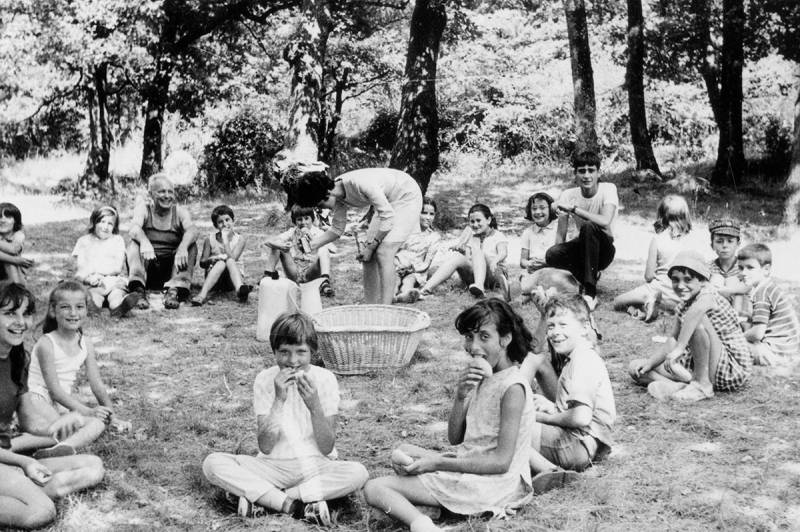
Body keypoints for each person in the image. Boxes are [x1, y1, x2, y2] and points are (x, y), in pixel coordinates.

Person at [363, 299, 536, 532]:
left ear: (505, 339)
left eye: (484, 337)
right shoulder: (484, 376)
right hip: (473, 468)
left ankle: (423, 525)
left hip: (493, 484)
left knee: (375, 489)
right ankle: (433, 508)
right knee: (404, 450)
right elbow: (455, 438)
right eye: (469, 337)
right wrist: (461, 395)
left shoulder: (513, 387)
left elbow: (501, 463)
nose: (474, 346)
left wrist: (438, 463)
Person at [203, 313, 368, 525]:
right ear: (274, 351)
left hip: (314, 465)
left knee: (358, 473)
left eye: (301, 352)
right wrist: (279, 400)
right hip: (272, 466)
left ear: (312, 352)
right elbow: (266, 445)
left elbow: (326, 448)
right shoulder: (264, 379)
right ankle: (293, 505)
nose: (292, 361)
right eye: (284, 352)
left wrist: (314, 405)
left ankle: (269, 499)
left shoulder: (325, 379)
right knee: (213, 463)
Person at [0, 282, 105, 530]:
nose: (20, 322)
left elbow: (28, 421)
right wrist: (24, 463)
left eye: (26, 314)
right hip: (8, 458)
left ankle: (15, 486)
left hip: (6, 456)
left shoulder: (17, 357)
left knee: (92, 467)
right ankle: (19, 487)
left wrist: (58, 427)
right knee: (42, 511)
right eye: (9, 314)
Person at [11, 281, 132, 458]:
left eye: (79, 307)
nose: (73, 313)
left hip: (60, 405)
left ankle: (62, 448)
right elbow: (55, 391)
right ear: (53, 311)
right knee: (61, 428)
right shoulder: (47, 343)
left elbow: (96, 384)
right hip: (37, 397)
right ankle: (15, 444)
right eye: (66, 307)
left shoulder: (86, 343)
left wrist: (112, 416)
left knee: (97, 424)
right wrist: (88, 411)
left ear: (86, 310)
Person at [282, 164, 422, 305]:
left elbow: (389, 218)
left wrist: (372, 247)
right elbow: (337, 228)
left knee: (384, 253)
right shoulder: (336, 194)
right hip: (389, 204)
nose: (320, 209)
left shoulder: (360, 184)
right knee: (367, 256)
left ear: (326, 194)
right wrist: (314, 244)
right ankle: (371, 305)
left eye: (319, 205)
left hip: (406, 195)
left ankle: (386, 309)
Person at [629, 250, 753, 402]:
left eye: (688, 280)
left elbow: (695, 313)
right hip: (701, 365)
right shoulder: (682, 306)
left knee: (696, 319)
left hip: (729, 366)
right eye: (675, 280)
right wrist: (650, 363)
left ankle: (702, 386)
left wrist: (680, 349)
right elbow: (672, 341)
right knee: (635, 367)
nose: (681, 286)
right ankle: (682, 386)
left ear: (702, 281)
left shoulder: (708, 295)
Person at [528, 294, 615, 490]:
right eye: (551, 326)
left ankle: (552, 472)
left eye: (563, 325)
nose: (555, 332)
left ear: (585, 328)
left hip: (577, 445)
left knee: (511, 429)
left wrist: (540, 417)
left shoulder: (583, 361)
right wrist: (552, 408)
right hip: (581, 443)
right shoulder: (577, 356)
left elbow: (580, 418)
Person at [546, 151, 618, 309]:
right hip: (581, 248)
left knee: (589, 226)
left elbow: (605, 222)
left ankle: (591, 293)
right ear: (575, 174)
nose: (587, 175)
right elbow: (561, 235)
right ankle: (584, 278)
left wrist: (573, 208)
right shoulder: (568, 194)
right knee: (552, 254)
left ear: (598, 173)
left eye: (591, 170)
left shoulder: (608, 189)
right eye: (582, 171)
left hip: (604, 250)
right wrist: (556, 260)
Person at [612, 195, 691, 322]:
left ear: (660, 215)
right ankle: (648, 307)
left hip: (659, 291)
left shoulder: (658, 240)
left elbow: (649, 276)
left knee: (617, 302)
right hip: (681, 298)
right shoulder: (690, 240)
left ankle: (647, 303)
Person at [127, 173, 198, 310]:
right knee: (134, 243)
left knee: (191, 246)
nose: (167, 196)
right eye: (161, 191)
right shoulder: (144, 209)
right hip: (148, 267)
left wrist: (183, 247)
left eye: (170, 192)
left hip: (173, 269)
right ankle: (138, 291)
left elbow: (193, 229)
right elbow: (133, 228)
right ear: (150, 194)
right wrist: (144, 241)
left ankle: (173, 292)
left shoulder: (180, 212)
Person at [419, 204, 510, 300]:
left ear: (488, 220)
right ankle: (425, 289)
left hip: (495, 275)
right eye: (472, 221)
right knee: (457, 257)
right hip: (476, 275)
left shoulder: (498, 235)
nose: (475, 224)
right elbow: (468, 259)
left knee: (478, 252)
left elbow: (503, 253)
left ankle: (480, 286)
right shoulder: (472, 238)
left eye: (478, 220)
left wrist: (495, 260)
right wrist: (461, 253)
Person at [737, 243, 800, 365]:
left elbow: (757, 334)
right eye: (741, 268)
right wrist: (745, 317)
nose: (743, 272)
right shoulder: (769, 286)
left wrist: (737, 339)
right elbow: (768, 319)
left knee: (728, 344)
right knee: (744, 322)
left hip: (776, 354)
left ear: (766, 269)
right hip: (788, 350)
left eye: (750, 267)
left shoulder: (762, 293)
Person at [72, 205, 140, 317]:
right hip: (95, 283)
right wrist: (89, 279)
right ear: (94, 222)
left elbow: (117, 268)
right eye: (102, 222)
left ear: (114, 226)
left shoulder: (117, 240)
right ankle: (93, 308)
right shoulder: (83, 241)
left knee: (116, 295)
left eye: (110, 224)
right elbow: (81, 270)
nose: (105, 227)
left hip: (113, 281)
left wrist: (94, 270)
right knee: (94, 296)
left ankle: (119, 308)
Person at [262, 204, 335, 298]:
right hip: (295, 271)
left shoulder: (318, 232)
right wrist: (281, 246)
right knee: (278, 244)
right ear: (295, 221)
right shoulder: (292, 232)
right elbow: (267, 241)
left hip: (312, 271)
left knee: (323, 250)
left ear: (312, 219)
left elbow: (333, 249)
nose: (303, 222)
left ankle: (324, 282)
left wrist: (313, 239)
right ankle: (266, 276)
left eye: (306, 218)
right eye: (299, 219)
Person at [192, 205, 250, 306]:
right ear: (215, 225)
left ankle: (240, 290)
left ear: (233, 221)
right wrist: (211, 259)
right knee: (220, 263)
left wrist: (226, 240)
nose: (225, 224)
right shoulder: (210, 239)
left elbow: (233, 258)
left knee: (229, 261)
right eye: (220, 222)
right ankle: (202, 295)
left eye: (227, 220)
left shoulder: (240, 239)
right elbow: (202, 263)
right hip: (214, 281)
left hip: (233, 280)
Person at [394, 197, 441, 303]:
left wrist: (414, 270)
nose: (428, 217)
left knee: (409, 280)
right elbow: (393, 252)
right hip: (397, 265)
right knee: (394, 279)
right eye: (424, 213)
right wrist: (397, 265)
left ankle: (406, 294)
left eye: (431, 214)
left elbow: (426, 264)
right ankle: (392, 294)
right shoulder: (406, 231)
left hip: (416, 269)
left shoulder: (434, 237)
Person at [516, 192, 559, 302]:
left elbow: (564, 255)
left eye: (542, 208)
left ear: (551, 209)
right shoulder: (528, 232)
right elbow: (522, 261)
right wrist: (529, 263)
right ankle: (523, 296)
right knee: (525, 276)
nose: (538, 212)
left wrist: (546, 262)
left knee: (549, 281)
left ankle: (521, 295)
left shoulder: (558, 228)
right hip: (533, 270)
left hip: (551, 268)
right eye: (534, 208)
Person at [706, 218, 749, 315]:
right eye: (719, 241)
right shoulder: (708, 267)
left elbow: (749, 285)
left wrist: (729, 290)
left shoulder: (744, 266)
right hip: (718, 307)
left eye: (730, 241)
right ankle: (716, 318)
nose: (725, 245)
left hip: (741, 308)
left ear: (738, 244)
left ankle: (738, 321)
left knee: (732, 280)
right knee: (716, 278)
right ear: (712, 245)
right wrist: (716, 289)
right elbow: (700, 283)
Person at [0, 202, 34, 286]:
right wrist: (15, 260)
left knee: (10, 258)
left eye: (8, 217)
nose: (2, 220)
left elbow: (13, 249)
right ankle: (17, 290)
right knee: (11, 261)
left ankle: (17, 290)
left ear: (15, 220)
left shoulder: (18, 235)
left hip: (13, 272)